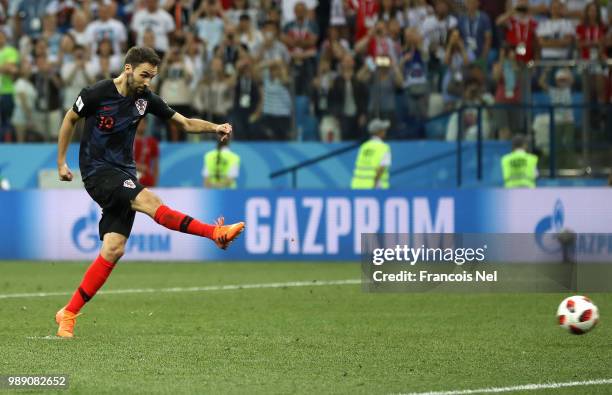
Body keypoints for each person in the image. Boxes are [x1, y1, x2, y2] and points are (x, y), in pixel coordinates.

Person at [55, 46, 245, 338]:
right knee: (149, 201)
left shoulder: (145, 98)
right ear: (128, 68)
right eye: (144, 75)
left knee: (114, 248)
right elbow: (69, 119)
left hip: (124, 173)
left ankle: (68, 313)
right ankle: (213, 233)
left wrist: (214, 127)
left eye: (152, 77)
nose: (148, 82)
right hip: (97, 172)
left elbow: (184, 122)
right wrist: (62, 163)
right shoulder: (97, 93)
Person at [351, 118, 392, 189]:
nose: (385, 132)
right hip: (373, 188)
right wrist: (374, 185)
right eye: (383, 130)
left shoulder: (364, 146)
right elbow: (381, 168)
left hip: (357, 186)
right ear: (379, 132)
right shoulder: (384, 147)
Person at [134, 117, 160, 187]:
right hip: (131, 180)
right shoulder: (128, 142)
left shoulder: (152, 142)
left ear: (146, 125)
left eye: (143, 123)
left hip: (147, 181)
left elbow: (156, 166)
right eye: (140, 123)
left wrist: (155, 182)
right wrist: (137, 166)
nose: (141, 125)